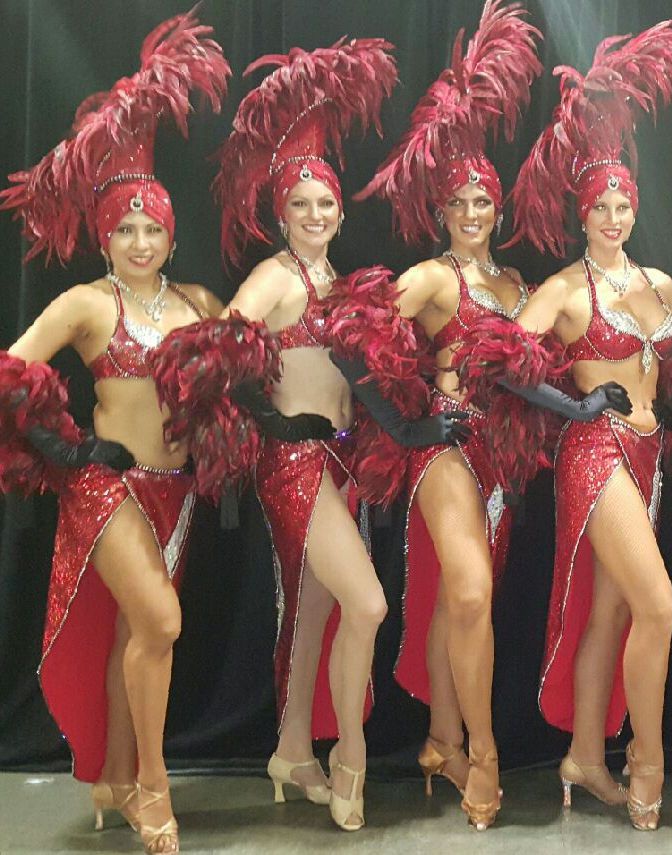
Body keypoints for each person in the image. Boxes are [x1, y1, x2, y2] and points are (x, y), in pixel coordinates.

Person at [0, 13, 230, 854]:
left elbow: (243, 376)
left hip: (179, 493)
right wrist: (67, 449)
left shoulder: (199, 303)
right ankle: (154, 785)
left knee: (139, 632)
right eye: (125, 228)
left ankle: (116, 774)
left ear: (171, 233)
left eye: (153, 228)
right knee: (161, 623)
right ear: (105, 234)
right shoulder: (86, 304)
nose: (140, 241)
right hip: (109, 489)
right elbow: (9, 372)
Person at [497, 19, 672, 832]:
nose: (615, 217)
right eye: (602, 206)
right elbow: (502, 360)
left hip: (649, 452)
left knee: (612, 612)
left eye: (625, 204)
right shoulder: (564, 288)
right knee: (656, 602)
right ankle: (646, 761)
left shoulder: (659, 283)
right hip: (594, 452)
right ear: (581, 213)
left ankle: (583, 756)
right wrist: (575, 405)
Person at [351, 0, 542, 830]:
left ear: (498, 208)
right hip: (445, 448)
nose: (471, 212)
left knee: (456, 598)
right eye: (458, 201)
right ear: (441, 209)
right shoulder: (433, 278)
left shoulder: (520, 287)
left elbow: (538, 369)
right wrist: (408, 425)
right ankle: (483, 751)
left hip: (503, 460)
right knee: (467, 588)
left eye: (482, 201)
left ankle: (439, 738)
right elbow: (355, 341)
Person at [212, 37, 397, 832]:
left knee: (317, 606)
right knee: (369, 602)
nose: (316, 216)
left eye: (326, 204)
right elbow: (213, 355)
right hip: (292, 462)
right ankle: (350, 753)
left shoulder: (335, 280)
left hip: (340, 460)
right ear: (280, 213)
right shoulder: (275, 277)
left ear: (340, 211)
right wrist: (265, 419)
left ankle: (292, 748)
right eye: (301, 206)